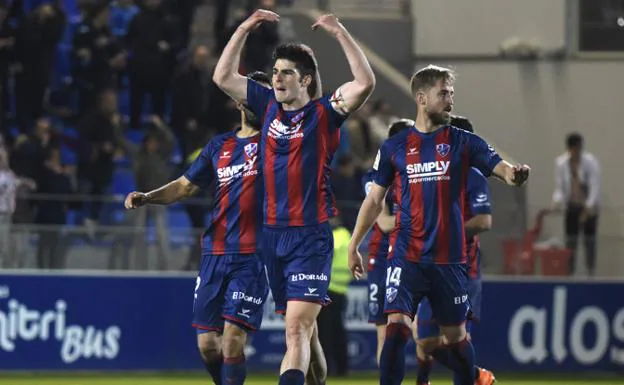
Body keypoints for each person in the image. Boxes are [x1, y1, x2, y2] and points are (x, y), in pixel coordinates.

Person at [212, 8, 375, 385]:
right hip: (272, 238)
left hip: (310, 237)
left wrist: (339, 32)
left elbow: (364, 82)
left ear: (305, 80)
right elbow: (222, 76)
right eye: (275, 72)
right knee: (306, 332)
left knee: (296, 330)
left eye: (286, 72)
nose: (278, 78)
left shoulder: (324, 114)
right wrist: (244, 27)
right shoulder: (267, 104)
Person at [347, 64, 529, 385]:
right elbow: (374, 201)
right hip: (406, 256)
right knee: (396, 331)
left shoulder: (463, 141)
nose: (450, 100)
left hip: (449, 260)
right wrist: (354, 245)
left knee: (457, 343)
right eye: (443, 93)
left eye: (451, 93)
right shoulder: (395, 147)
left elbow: (500, 167)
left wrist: (514, 175)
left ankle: (471, 378)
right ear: (421, 98)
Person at [124, 72, 271, 385]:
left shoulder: (277, 145)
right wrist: (147, 197)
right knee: (207, 345)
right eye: (254, 95)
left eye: (266, 95)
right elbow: (184, 187)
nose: (260, 101)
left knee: (232, 339)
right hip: (215, 254)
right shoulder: (220, 146)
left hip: (253, 256)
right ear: (238, 102)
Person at [413, 116, 495, 385]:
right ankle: (476, 376)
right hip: (433, 266)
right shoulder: (438, 174)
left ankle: (469, 378)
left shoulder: (473, 176)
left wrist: (447, 233)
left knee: (458, 339)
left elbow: (484, 220)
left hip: (463, 271)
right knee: (424, 340)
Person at [362, 119, 412, 364]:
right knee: (387, 333)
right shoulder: (375, 179)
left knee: (407, 330)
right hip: (382, 259)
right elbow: (383, 223)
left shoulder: (412, 174)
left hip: (410, 257)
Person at [552, 133, 600, 276]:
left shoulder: (590, 162)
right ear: (569, 149)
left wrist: (589, 206)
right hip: (572, 207)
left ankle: (591, 271)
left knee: (589, 242)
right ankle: (570, 272)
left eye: (578, 148)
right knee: (571, 242)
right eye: (573, 149)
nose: (575, 152)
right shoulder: (561, 163)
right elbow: (560, 187)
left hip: (588, 207)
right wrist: (556, 201)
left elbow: (595, 185)